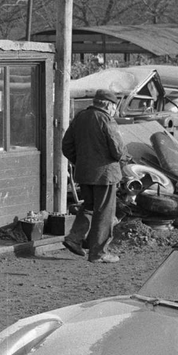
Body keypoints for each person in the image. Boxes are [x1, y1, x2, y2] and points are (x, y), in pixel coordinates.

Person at [61, 90, 127, 263]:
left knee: (89, 207)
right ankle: (98, 253)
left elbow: (66, 146)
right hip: (105, 175)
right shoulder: (107, 120)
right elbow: (118, 151)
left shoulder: (80, 117)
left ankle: (74, 239)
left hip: (84, 173)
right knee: (104, 212)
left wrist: (82, 162)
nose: (114, 110)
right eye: (114, 107)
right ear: (109, 105)